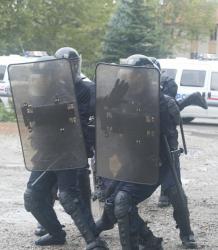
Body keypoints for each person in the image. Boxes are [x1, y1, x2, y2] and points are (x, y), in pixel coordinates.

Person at [94, 54, 198, 249]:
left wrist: (170, 169)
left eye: (134, 75)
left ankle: (187, 233)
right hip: (135, 159)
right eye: (129, 75)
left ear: (144, 77)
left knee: (176, 193)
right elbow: (105, 127)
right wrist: (110, 103)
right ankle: (147, 240)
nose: (129, 79)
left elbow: (171, 140)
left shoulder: (164, 102)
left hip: (162, 159)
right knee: (117, 199)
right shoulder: (123, 100)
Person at [22, 47, 108, 250]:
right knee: (32, 196)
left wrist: (85, 148)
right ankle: (55, 232)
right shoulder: (43, 91)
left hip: (68, 151)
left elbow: (82, 121)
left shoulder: (77, 90)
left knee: (70, 196)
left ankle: (94, 242)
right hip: (46, 152)